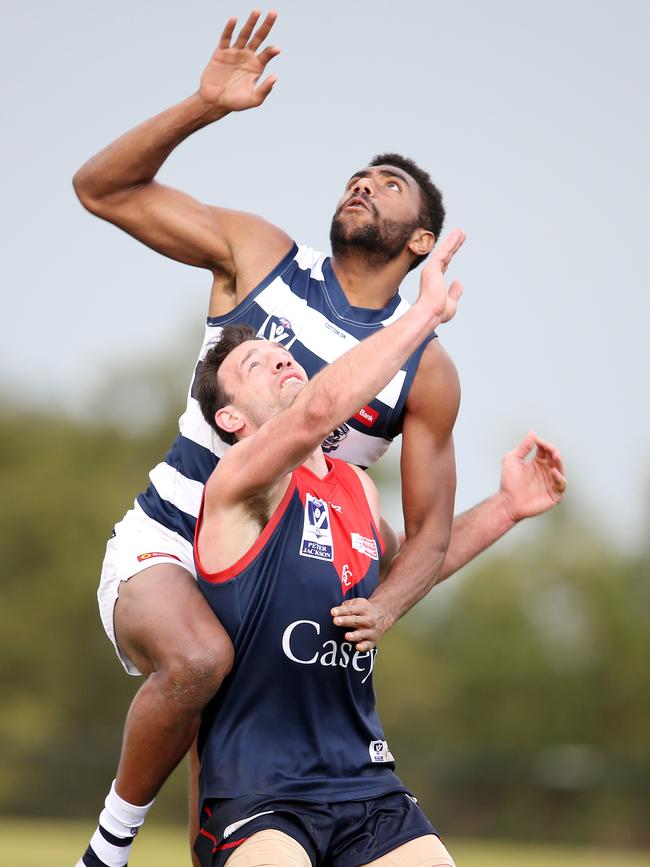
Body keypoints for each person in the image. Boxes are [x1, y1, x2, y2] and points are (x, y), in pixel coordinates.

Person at [72, 11, 566, 867]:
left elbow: (413, 543)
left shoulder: (426, 373)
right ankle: (107, 848)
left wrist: (391, 600)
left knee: (226, 816)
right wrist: (201, 106)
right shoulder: (261, 258)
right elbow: (99, 190)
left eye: (389, 183)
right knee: (196, 655)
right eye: (358, 175)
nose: (364, 183)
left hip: (275, 586)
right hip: (172, 545)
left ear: (421, 241)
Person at [192, 227, 465, 866]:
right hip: (262, 793)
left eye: (282, 354)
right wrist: (421, 315)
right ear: (231, 420)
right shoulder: (238, 480)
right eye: (255, 364)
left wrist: (508, 507)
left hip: (367, 785)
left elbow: (424, 560)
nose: (282, 359)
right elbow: (317, 413)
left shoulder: (357, 490)